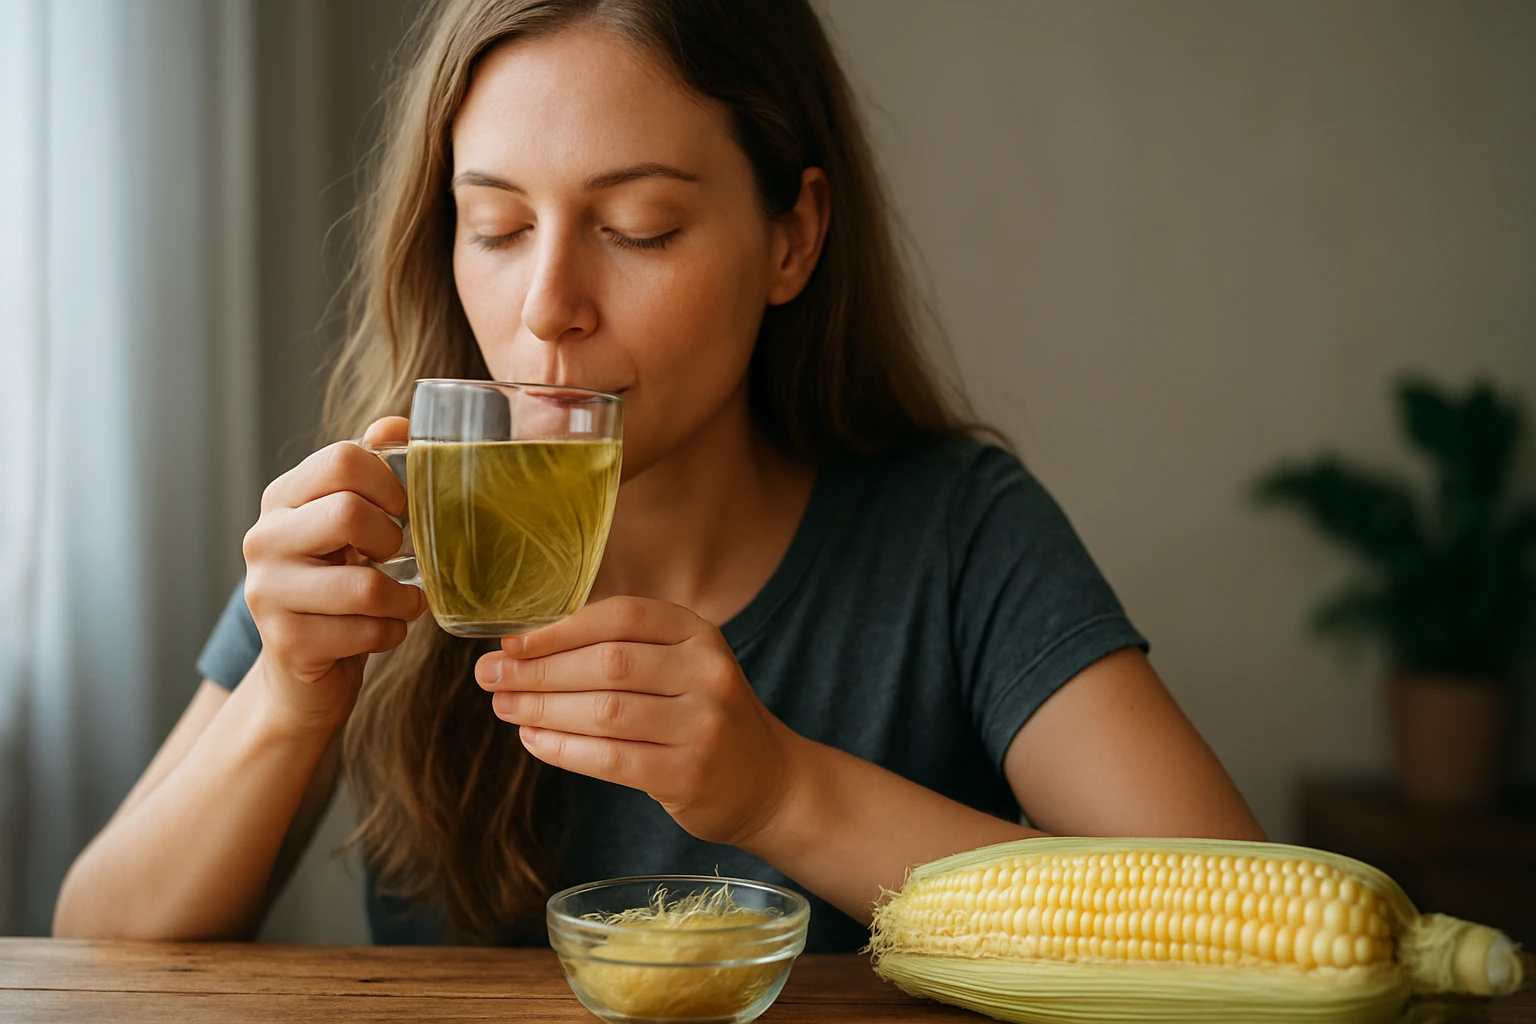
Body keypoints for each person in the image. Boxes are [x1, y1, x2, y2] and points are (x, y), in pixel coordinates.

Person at [54, 0, 1263, 952]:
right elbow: (92, 947)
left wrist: (781, 791)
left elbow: (1240, 926)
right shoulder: (395, 525)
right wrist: (290, 697)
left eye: (637, 227)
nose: (548, 311)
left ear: (792, 236)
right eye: (497, 226)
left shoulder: (953, 531)